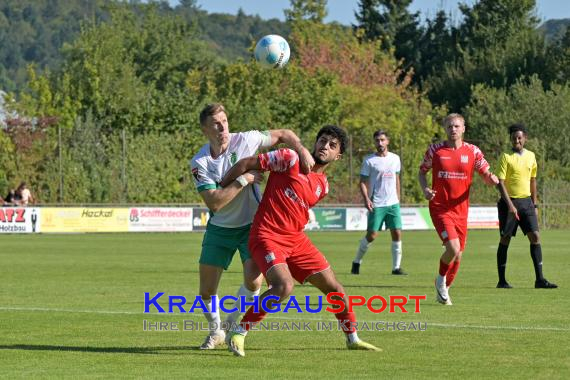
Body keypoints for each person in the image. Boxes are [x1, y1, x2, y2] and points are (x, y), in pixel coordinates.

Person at [219, 125, 381, 357]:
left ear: (338, 156)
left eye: (332, 145)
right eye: (322, 141)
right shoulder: (289, 157)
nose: (325, 146)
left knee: (335, 288)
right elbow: (246, 163)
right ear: (315, 143)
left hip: (296, 240)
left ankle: (352, 338)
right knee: (284, 286)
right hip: (267, 235)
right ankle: (239, 331)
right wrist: (222, 186)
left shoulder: (323, 186)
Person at [190, 103, 315, 350]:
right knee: (206, 291)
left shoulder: (246, 139)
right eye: (216, 123)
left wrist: (301, 149)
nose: (222, 127)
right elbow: (215, 203)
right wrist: (244, 179)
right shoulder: (199, 162)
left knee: (254, 282)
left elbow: (284, 134)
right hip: (220, 229)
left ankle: (229, 325)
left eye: (225, 121)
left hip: (253, 226)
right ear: (205, 129)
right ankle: (215, 332)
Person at [418, 113, 499, 305]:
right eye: (449, 126)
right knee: (452, 248)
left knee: (458, 255)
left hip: (461, 212)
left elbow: (485, 174)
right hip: (440, 208)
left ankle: (444, 289)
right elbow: (422, 172)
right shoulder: (435, 150)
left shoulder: (473, 151)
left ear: (463, 129)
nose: (453, 130)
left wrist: (491, 179)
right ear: (445, 129)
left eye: (456, 126)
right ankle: (439, 280)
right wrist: (425, 189)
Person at [495, 124, 557, 289]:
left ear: (525, 138)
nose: (517, 140)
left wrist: (534, 205)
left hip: (527, 203)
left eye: (520, 137)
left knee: (535, 237)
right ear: (511, 139)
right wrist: (510, 205)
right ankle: (502, 281)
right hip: (509, 203)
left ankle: (540, 280)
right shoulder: (505, 156)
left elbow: (532, 180)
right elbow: (500, 183)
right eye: (514, 137)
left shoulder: (531, 156)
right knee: (505, 239)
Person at [351, 130, 405, 275]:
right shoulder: (369, 161)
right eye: (377, 141)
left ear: (388, 141)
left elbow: (397, 178)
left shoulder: (395, 158)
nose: (380, 143)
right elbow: (362, 182)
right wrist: (366, 199)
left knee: (397, 233)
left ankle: (396, 268)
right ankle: (356, 262)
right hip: (377, 203)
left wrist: (398, 197)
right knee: (372, 235)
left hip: (393, 203)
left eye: (382, 140)